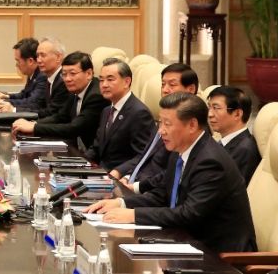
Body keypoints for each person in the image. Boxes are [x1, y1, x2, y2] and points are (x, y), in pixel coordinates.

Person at [87, 92, 256, 253]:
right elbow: (163, 195)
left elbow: (189, 214)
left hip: (217, 253)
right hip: (185, 240)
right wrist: (121, 203)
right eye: (160, 123)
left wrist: (133, 215)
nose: (160, 131)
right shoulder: (179, 152)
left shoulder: (210, 161)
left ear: (192, 125)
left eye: (167, 124)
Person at [110, 63, 199, 193]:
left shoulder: (190, 128)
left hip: (152, 193)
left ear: (190, 89)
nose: (165, 89)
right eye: (163, 84)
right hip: (134, 185)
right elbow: (145, 156)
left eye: (172, 85)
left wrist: (136, 187)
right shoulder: (163, 118)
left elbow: (171, 173)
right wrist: (127, 176)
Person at [11, 51, 108, 149]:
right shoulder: (75, 89)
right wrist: (34, 123)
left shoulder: (96, 96)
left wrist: (35, 128)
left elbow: (74, 128)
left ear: (89, 74)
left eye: (72, 74)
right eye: (64, 74)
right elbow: (61, 117)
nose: (67, 79)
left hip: (95, 154)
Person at [85, 59, 154, 171]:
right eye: (101, 80)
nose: (104, 85)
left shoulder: (139, 113)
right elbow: (97, 148)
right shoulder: (107, 111)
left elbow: (144, 155)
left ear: (126, 82)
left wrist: (119, 172)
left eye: (110, 79)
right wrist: (79, 162)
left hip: (121, 178)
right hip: (101, 174)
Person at [208, 85, 261, 184]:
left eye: (216, 108)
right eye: (209, 107)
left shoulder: (244, 149)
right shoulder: (224, 143)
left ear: (237, 114)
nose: (210, 114)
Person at [0, 38, 47, 113]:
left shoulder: (42, 76)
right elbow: (24, 94)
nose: (16, 65)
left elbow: (32, 102)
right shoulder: (32, 73)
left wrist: (2, 102)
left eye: (18, 61)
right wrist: (7, 96)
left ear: (30, 61)